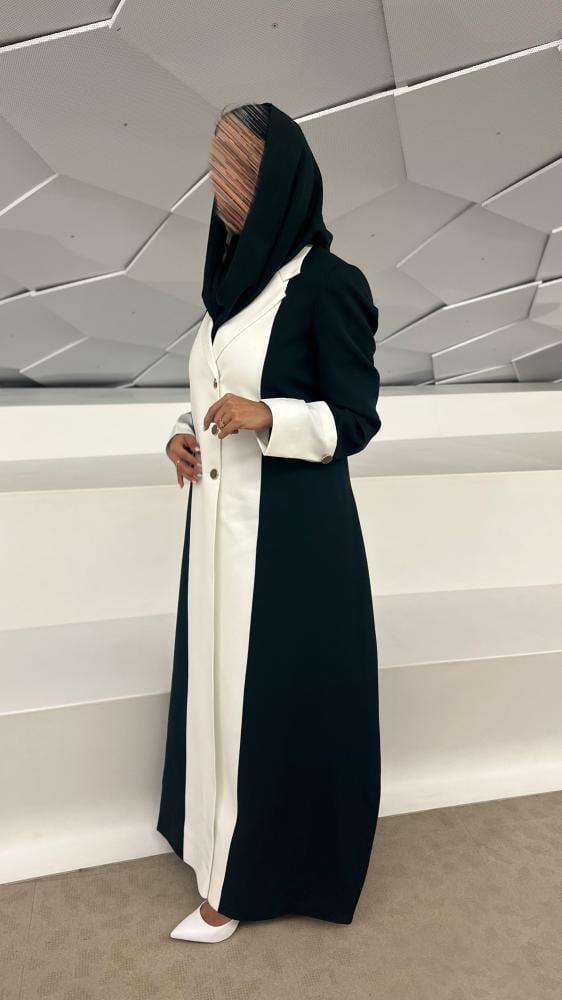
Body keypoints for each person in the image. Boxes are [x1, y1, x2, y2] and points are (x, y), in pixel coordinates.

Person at [157, 101, 383, 943]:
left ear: (281, 180)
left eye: (240, 173)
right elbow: (213, 392)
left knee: (272, 701)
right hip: (218, 535)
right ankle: (212, 844)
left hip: (290, 542)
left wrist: (271, 417)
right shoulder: (227, 286)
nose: (224, 191)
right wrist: (182, 434)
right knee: (219, 689)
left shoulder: (329, 284)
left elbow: (354, 419)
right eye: (219, 172)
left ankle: (247, 881)